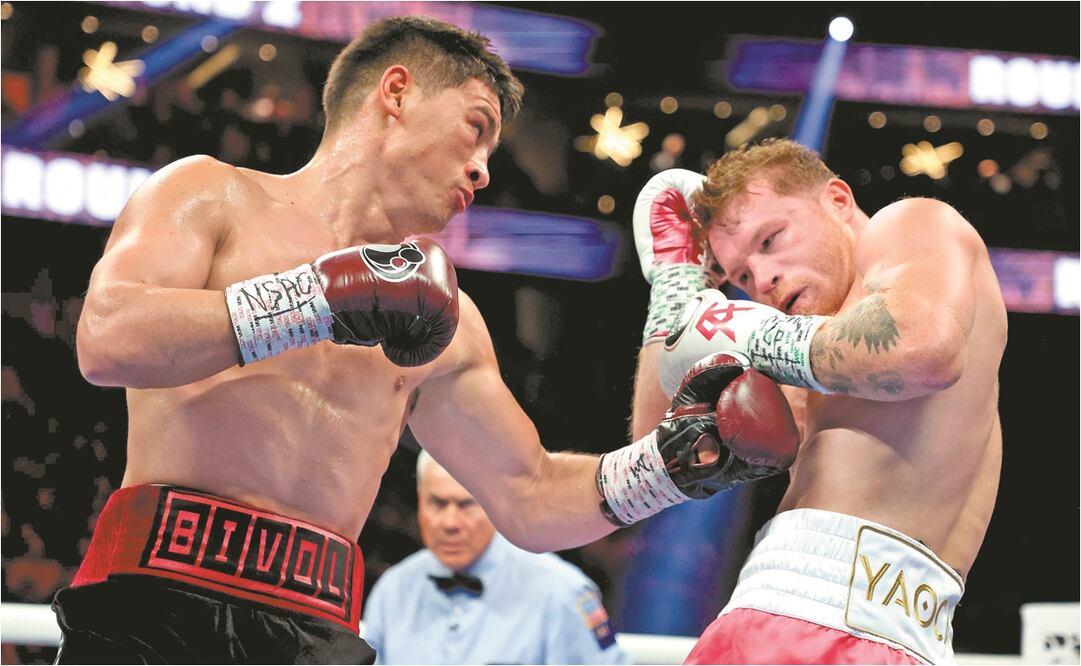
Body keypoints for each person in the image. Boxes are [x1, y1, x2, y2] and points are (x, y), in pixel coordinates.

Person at [56, 16, 800, 664]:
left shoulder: (451, 323)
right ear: (397, 91)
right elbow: (109, 337)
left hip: (316, 631)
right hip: (155, 599)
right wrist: (318, 297)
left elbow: (529, 496)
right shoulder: (211, 195)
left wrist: (668, 466)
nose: (481, 170)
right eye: (475, 128)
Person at [629, 138, 1007, 664]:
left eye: (771, 240)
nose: (761, 280)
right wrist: (674, 290)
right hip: (803, 616)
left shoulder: (911, 223)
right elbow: (659, 460)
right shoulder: (807, 361)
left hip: (856, 628)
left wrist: (758, 337)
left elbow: (923, 349)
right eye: (739, 277)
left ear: (837, 199)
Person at [362, 451, 632, 664]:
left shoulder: (561, 593)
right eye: (438, 503)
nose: (450, 522)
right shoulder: (393, 591)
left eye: (467, 504)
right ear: (420, 503)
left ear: (494, 503)